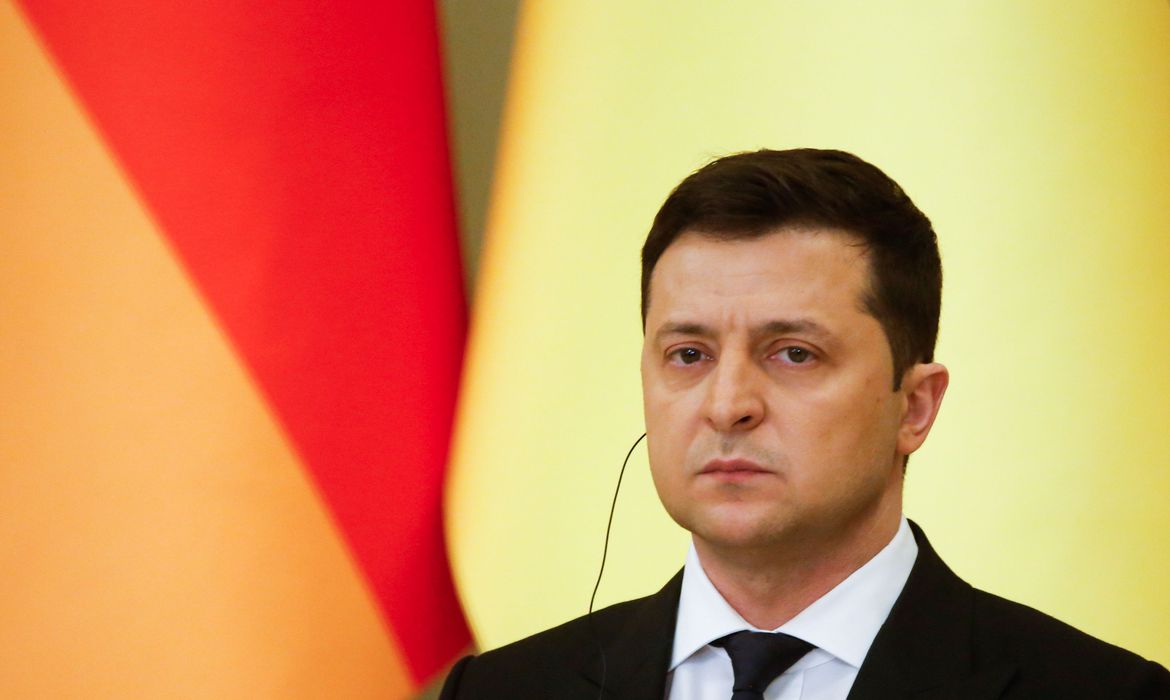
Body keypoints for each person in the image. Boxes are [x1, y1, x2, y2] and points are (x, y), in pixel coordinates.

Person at [439, 149, 1170, 699]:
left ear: (915, 406)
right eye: (689, 354)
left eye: (794, 353)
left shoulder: (1104, 694)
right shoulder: (503, 691)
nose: (727, 405)